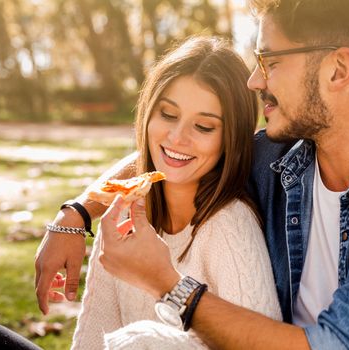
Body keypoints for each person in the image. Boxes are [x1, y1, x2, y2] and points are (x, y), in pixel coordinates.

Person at [36, 0, 349, 349]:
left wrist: (168, 285)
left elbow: (336, 346)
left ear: (338, 70)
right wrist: (75, 213)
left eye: (270, 61)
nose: (253, 81)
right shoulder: (282, 157)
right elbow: (170, 156)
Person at [64, 36, 280, 349]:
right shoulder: (124, 215)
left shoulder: (229, 226)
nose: (177, 138)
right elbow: (91, 337)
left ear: (230, 139)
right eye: (167, 114)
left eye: (204, 127)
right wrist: (72, 215)